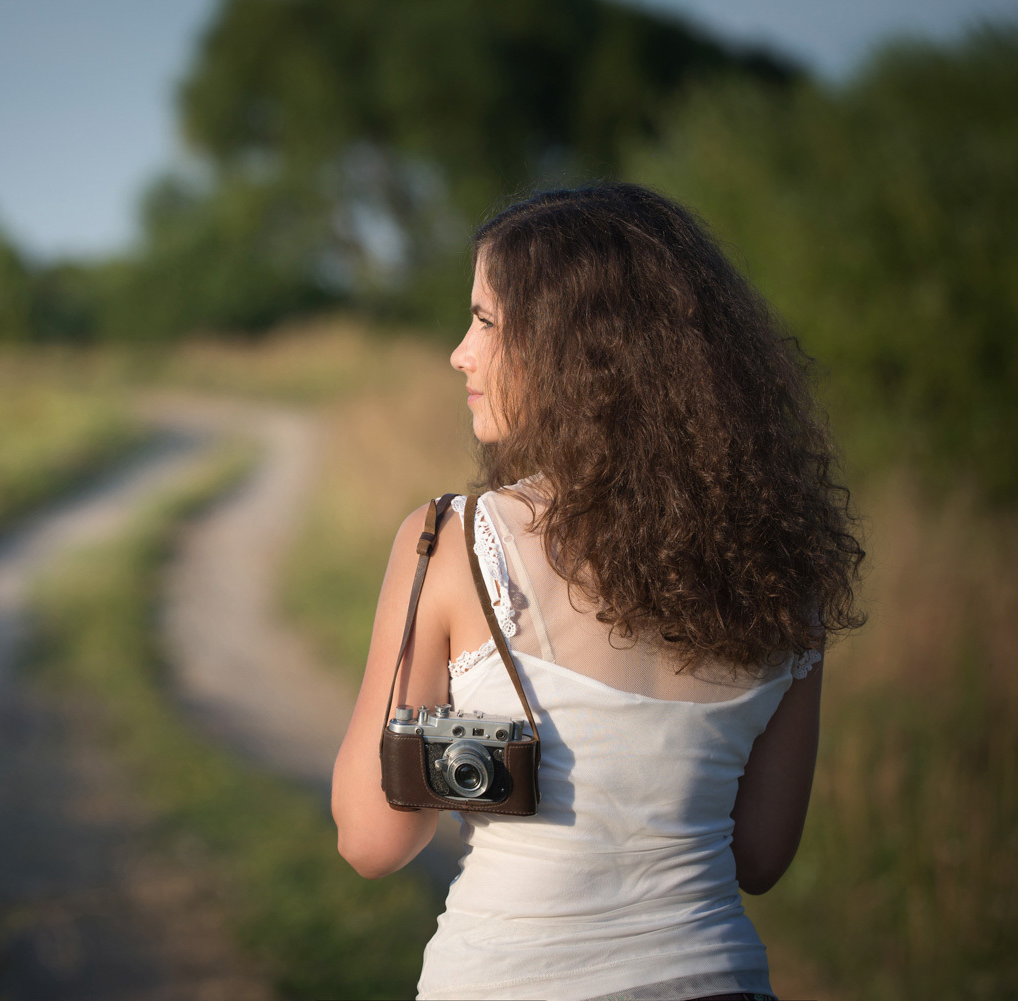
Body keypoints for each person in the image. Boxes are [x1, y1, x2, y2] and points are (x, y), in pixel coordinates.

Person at [330, 183, 863, 1001]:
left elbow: (374, 839)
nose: (458, 353)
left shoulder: (454, 542)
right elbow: (758, 855)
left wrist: (478, 740)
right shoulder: (782, 572)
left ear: (574, 349)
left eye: (483, 320)